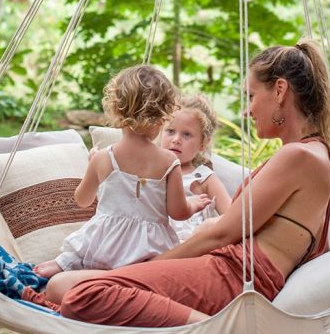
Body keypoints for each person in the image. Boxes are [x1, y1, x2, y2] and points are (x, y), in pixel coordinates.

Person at [34, 40, 330, 326]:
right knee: (60, 285)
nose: (247, 110)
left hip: (229, 276)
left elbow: (222, 233)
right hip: (223, 268)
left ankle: (214, 330)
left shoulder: (299, 156)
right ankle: (203, 323)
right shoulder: (316, 154)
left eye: (251, 95)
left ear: (281, 90)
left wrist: (144, 268)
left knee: (80, 296)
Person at [32, 65, 211, 282]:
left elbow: (82, 199)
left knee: (86, 242)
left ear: (116, 109)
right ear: (163, 116)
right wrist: (194, 204)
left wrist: (94, 168)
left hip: (103, 247)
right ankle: (116, 277)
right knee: (170, 264)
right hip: (147, 253)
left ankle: (66, 264)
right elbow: (178, 212)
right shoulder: (169, 161)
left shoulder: (103, 158)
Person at [161, 94, 230, 240]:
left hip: (191, 245)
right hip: (155, 242)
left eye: (186, 134)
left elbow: (232, 216)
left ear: (203, 143)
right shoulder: (150, 169)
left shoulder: (204, 178)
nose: (176, 140)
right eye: (170, 131)